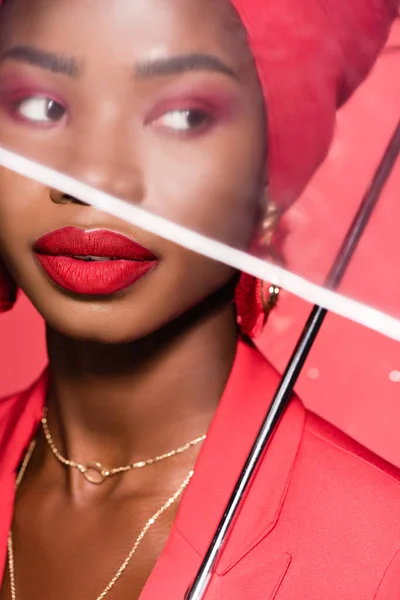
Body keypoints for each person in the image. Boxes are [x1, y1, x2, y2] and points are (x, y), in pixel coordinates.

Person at [0, 1, 399, 598]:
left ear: (275, 174)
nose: (95, 178)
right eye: (40, 106)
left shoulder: (383, 550)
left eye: (184, 115)